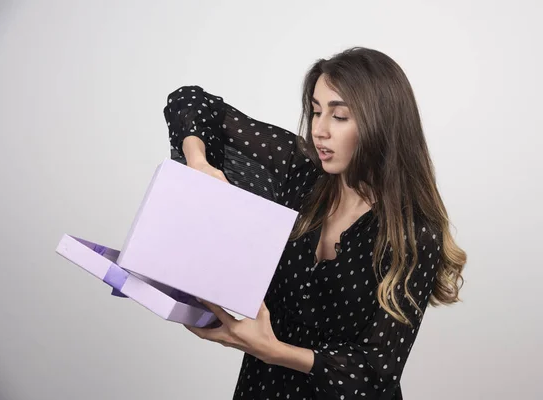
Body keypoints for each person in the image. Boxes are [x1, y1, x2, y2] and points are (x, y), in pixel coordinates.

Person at [163, 46, 466, 399]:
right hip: (263, 389)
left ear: (380, 123)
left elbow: (375, 373)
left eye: (339, 117)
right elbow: (190, 102)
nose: (319, 130)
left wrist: (273, 351)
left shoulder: (413, 234)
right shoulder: (299, 171)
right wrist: (199, 164)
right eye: (316, 112)